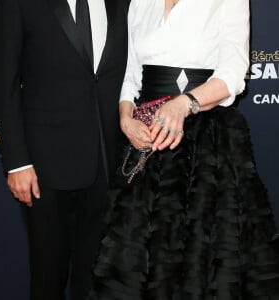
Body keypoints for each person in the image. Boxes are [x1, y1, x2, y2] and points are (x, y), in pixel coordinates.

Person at [87, 0, 279, 299]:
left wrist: (184, 103)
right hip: (149, 137)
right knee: (136, 252)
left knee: (200, 255)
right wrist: (125, 116)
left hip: (206, 144)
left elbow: (233, 71)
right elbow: (131, 69)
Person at [0, 0, 130, 299]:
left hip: (107, 162)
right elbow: (5, 84)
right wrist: (17, 162)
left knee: (95, 277)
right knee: (47, 277)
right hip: (44, 167)